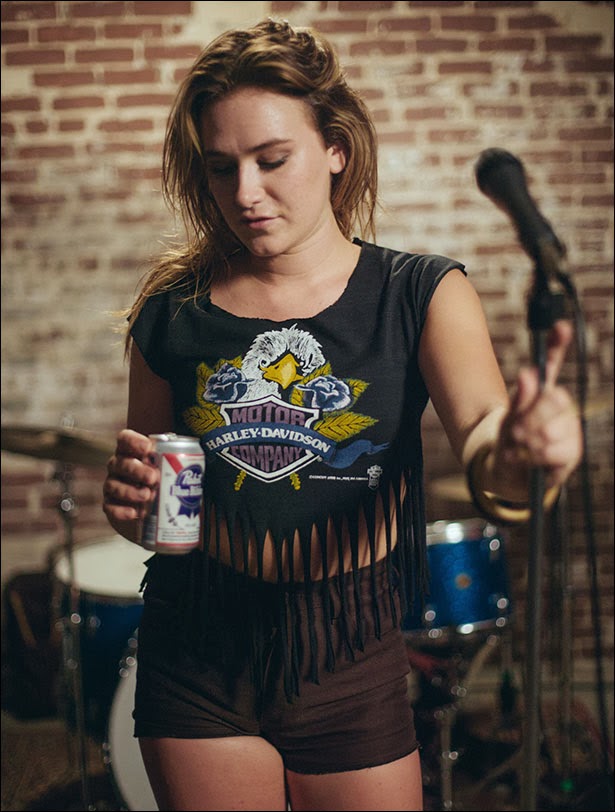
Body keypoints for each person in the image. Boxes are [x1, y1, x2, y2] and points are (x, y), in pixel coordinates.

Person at [102, 18, 583, 812]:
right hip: (196, 644)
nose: (244, 193)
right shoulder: (171, 312)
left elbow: (486, 443)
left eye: (271, 159)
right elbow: (154, 500)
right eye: (221, 168)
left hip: (348, 648)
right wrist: (130, 510)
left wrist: (524, 452)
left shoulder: (419, 293)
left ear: (336, 149)